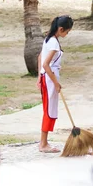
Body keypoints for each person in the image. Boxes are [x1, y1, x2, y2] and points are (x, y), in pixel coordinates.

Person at [37, 15, 74, 153]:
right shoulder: (53, 43)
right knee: (49, 111)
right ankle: (43, 144)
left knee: (49, 110)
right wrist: (56, 83)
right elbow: (46, 64)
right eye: (67, 31)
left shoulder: (49, 39)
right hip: (49, 79)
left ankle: (44, 142)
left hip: (45, 77)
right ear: (61, 29)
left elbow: (40, 57)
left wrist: (38, 76)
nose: (67, 34)